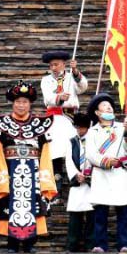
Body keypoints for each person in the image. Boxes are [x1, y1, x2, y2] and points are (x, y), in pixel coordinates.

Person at [0, 81, 56, 253]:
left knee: (34, 204)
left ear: (30, 104)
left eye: (25, 102)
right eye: (18, 102)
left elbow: (46, 153)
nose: (21, 105)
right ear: (13, 103)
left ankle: (30, 243)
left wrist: (45, 177)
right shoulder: (3, 126)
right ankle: (12, 243)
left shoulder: (40, 126)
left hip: (33, 172)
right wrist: (2, 176)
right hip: (10, 170)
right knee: (9, 205)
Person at [85, 94, 127, 253]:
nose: (108, 107)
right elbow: (91, 154)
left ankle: (124, 244)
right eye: (104, 106)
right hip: (102, 174)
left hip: (121, 174)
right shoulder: (91, 132)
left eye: (110, 105)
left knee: (123, 213)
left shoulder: (122, 127)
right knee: (100, 213)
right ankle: (100, 244)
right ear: (97, 113)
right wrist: (106, 160)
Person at [40, 50, 87, 197]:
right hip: (55, 119)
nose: (53, 68)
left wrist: (75, 71)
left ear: (63, 64)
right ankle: (56, 185)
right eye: (51, 65)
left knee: (73, 147)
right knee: (55, 151)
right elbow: (48, 98)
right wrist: (59, 97)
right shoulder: (46, 80)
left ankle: (76, 179)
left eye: (56, 64)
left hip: (71, 118)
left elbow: (83, 87)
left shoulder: (71, 76)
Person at [64, 113, 94, 252]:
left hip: (92, 182)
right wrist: (76, 175)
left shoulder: (94, 140)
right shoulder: (72, 141)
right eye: (77, 127)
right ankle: (72, 244)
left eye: (82, 127)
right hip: (77, 182)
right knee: (75, 215)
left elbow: (96, 158)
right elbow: (69, 160)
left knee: (92, 215)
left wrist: (89, 174)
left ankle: (91, 244)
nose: (79, 130)